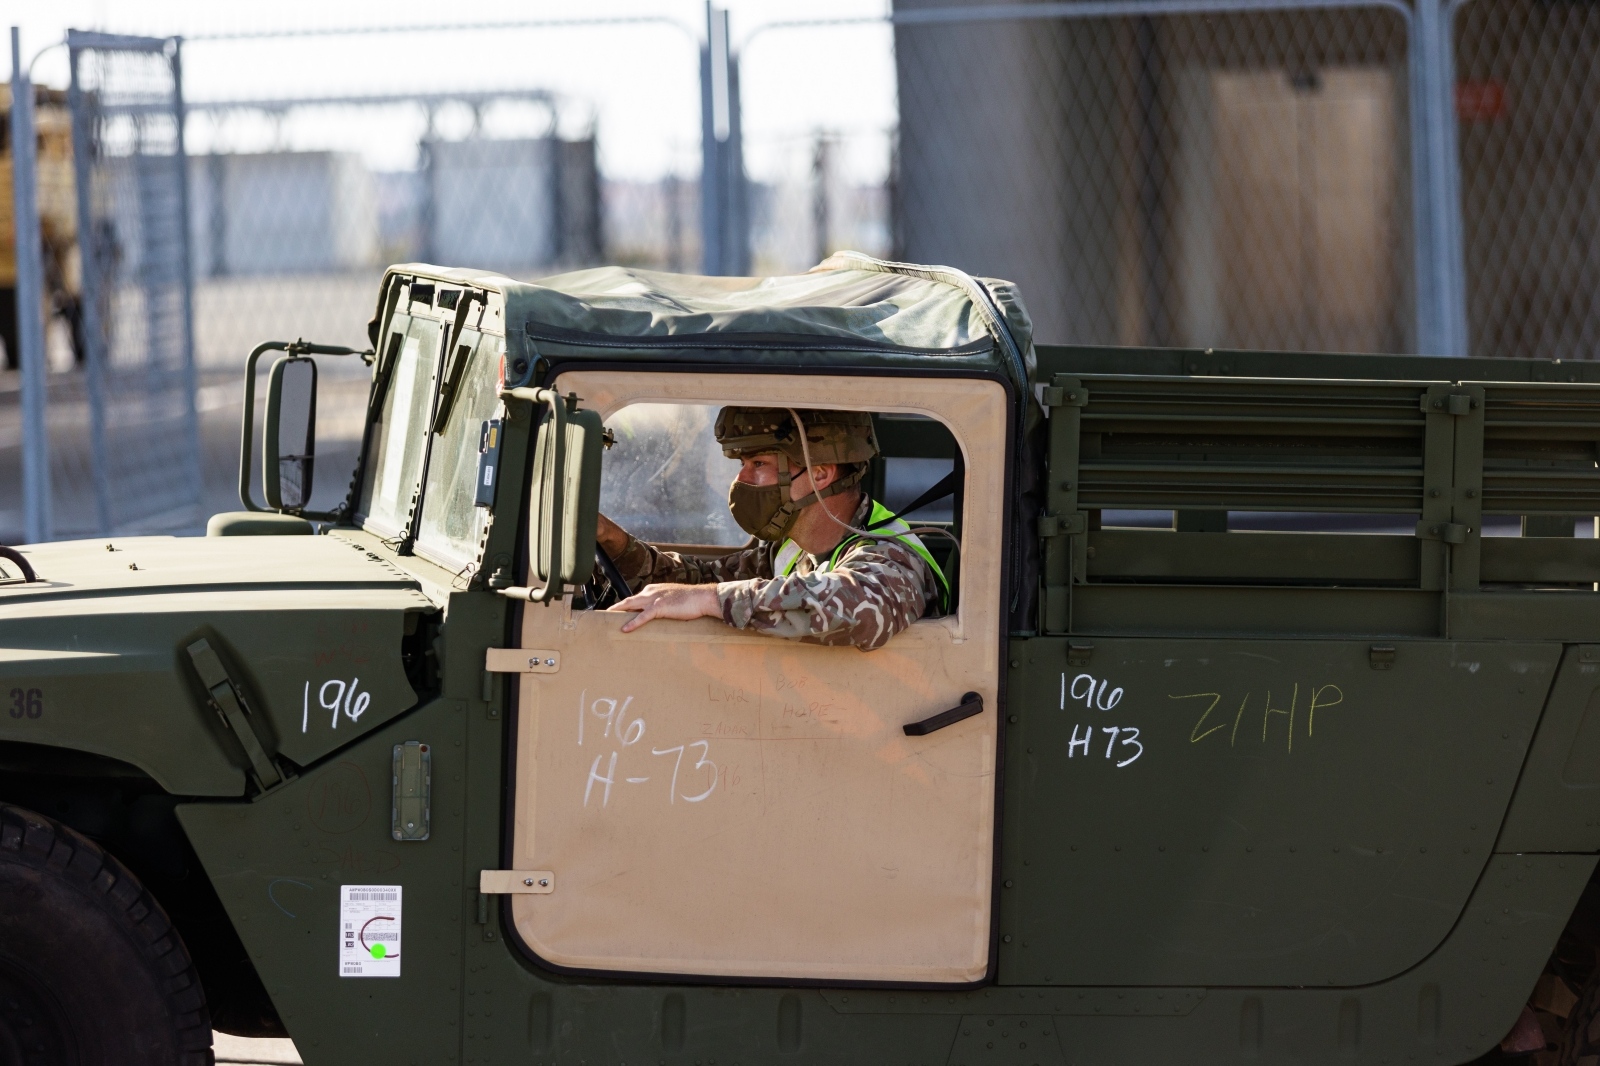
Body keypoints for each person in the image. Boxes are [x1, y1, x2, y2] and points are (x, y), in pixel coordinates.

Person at [597, 407, 949, 652]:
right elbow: (697, 580)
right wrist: (614, 543)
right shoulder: (791, 548)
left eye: (759, 464)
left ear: (821, 473)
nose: (741, 479)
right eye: (743, 464)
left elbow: (859, 609)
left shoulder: (891, 553)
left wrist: (709, 599)